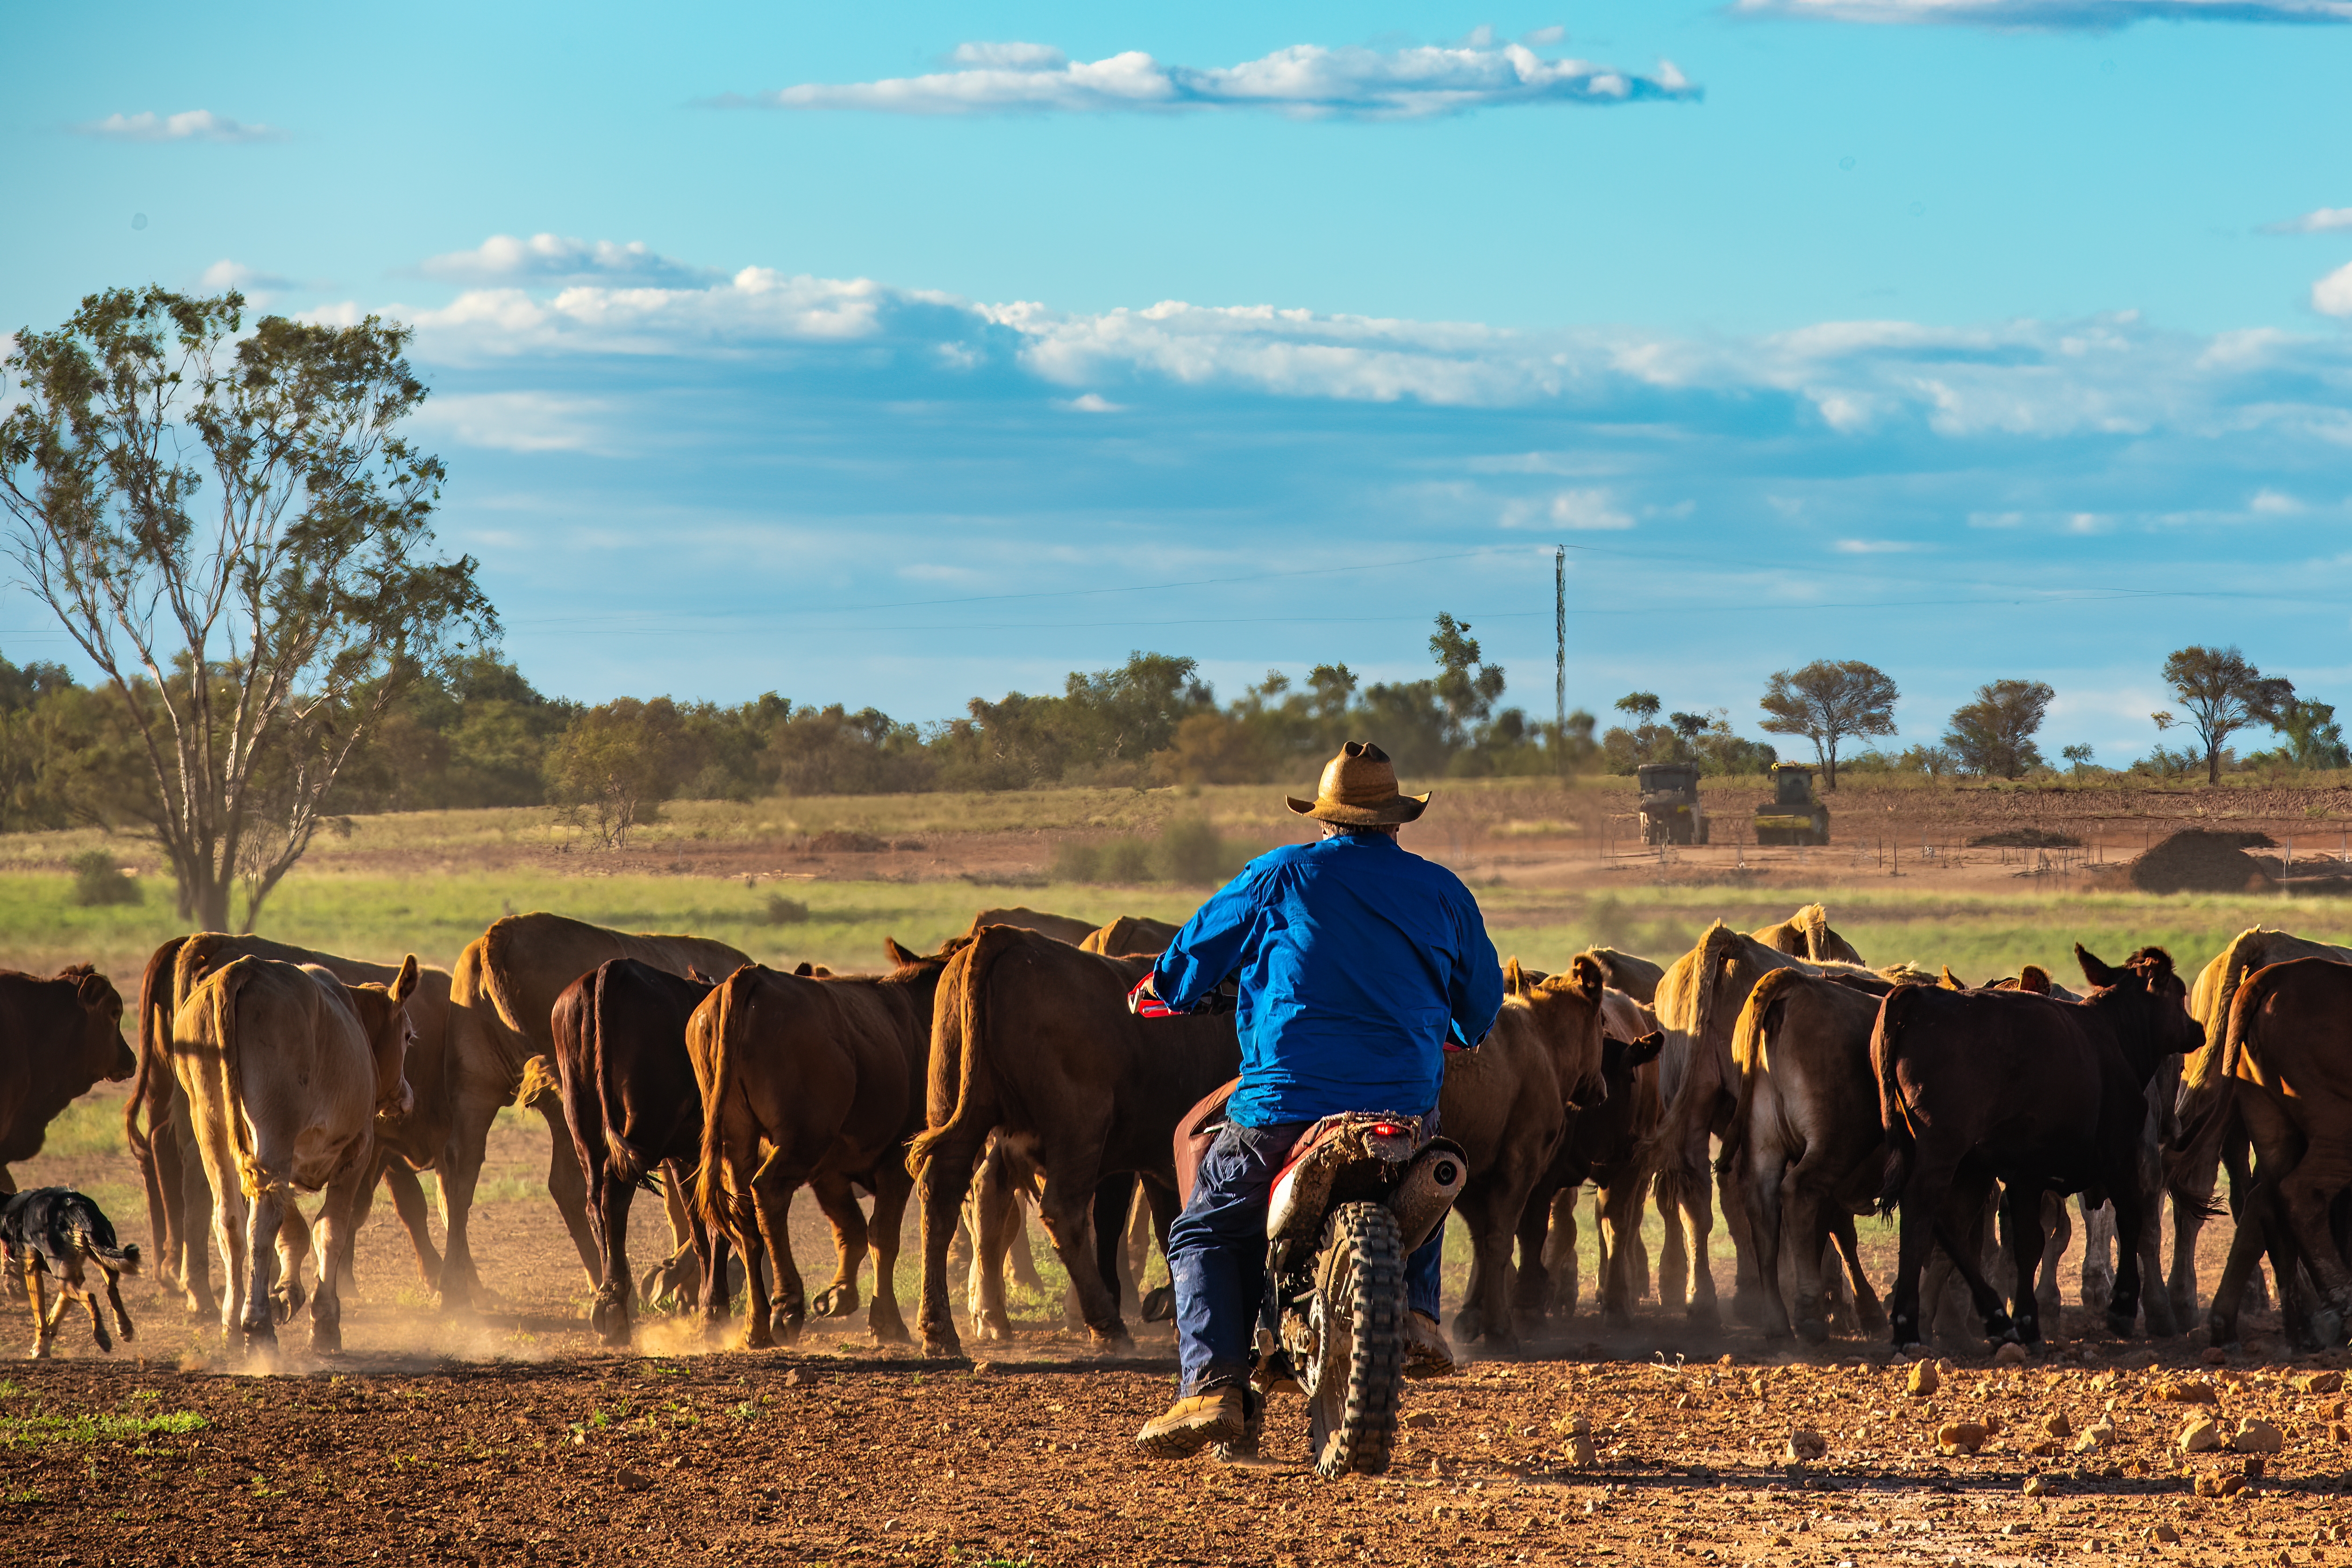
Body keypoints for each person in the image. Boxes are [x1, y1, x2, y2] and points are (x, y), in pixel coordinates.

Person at [1128, 740, 1503, 1459]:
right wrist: (1445, 1031)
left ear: (1327, 817)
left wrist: (1162, 991)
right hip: (1401, 1102)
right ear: (1396, 820)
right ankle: (1419, 1316)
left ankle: (1211, 1387)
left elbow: (1188, 960)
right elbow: (1479, 1009)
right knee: (1422, 1161)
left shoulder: (1279, 874)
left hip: (1284, 1105)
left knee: (1206, 1230)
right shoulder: (1444, 891)